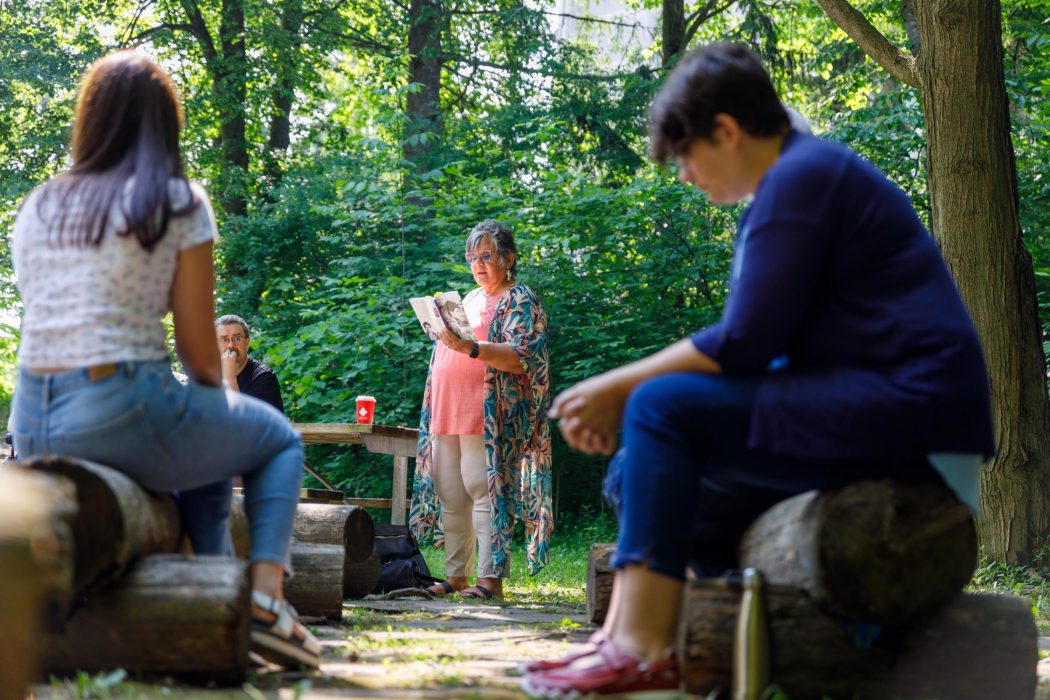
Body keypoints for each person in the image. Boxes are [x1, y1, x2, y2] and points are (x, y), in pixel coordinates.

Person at [523, 43, 994, 697]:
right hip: (866, 406)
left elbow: (746, 340)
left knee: (661, 406)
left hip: (912, 408)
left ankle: (643, 649)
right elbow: (767, 352)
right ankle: (655, 643)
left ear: (726, 130)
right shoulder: (786, 188)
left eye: (687, 156)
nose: (685, 175)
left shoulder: (804, 176)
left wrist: (618, 384)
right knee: (638, 469)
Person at [9, 51, 321, 669]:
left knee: (206, 435)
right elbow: (202, 356)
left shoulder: (39, 204)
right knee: (278, 440)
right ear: (164, 123)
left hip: (32, 421)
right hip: (116, 407)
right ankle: (265, 601)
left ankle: (213, 593)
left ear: (90, 120)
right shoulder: (176, 202)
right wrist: (212, 403)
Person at [409, 220, 553, 600]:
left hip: (486, 412)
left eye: (486, 256)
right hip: (445, 409)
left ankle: (489, 580)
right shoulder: (469, 299)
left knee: (481, 489)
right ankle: (456, 576)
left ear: (509, 258)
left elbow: (524, 357)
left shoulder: (519, 298)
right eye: (472, 257)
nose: (478, 264)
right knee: (450, 493)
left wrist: (469, 348)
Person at [216, 314, 285, 413]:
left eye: (237, 339)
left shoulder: (263, 377)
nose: (230, 345)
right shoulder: (207, 376)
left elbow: (240, 423)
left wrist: (229, 375)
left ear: (247, 342)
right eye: (224, 339)